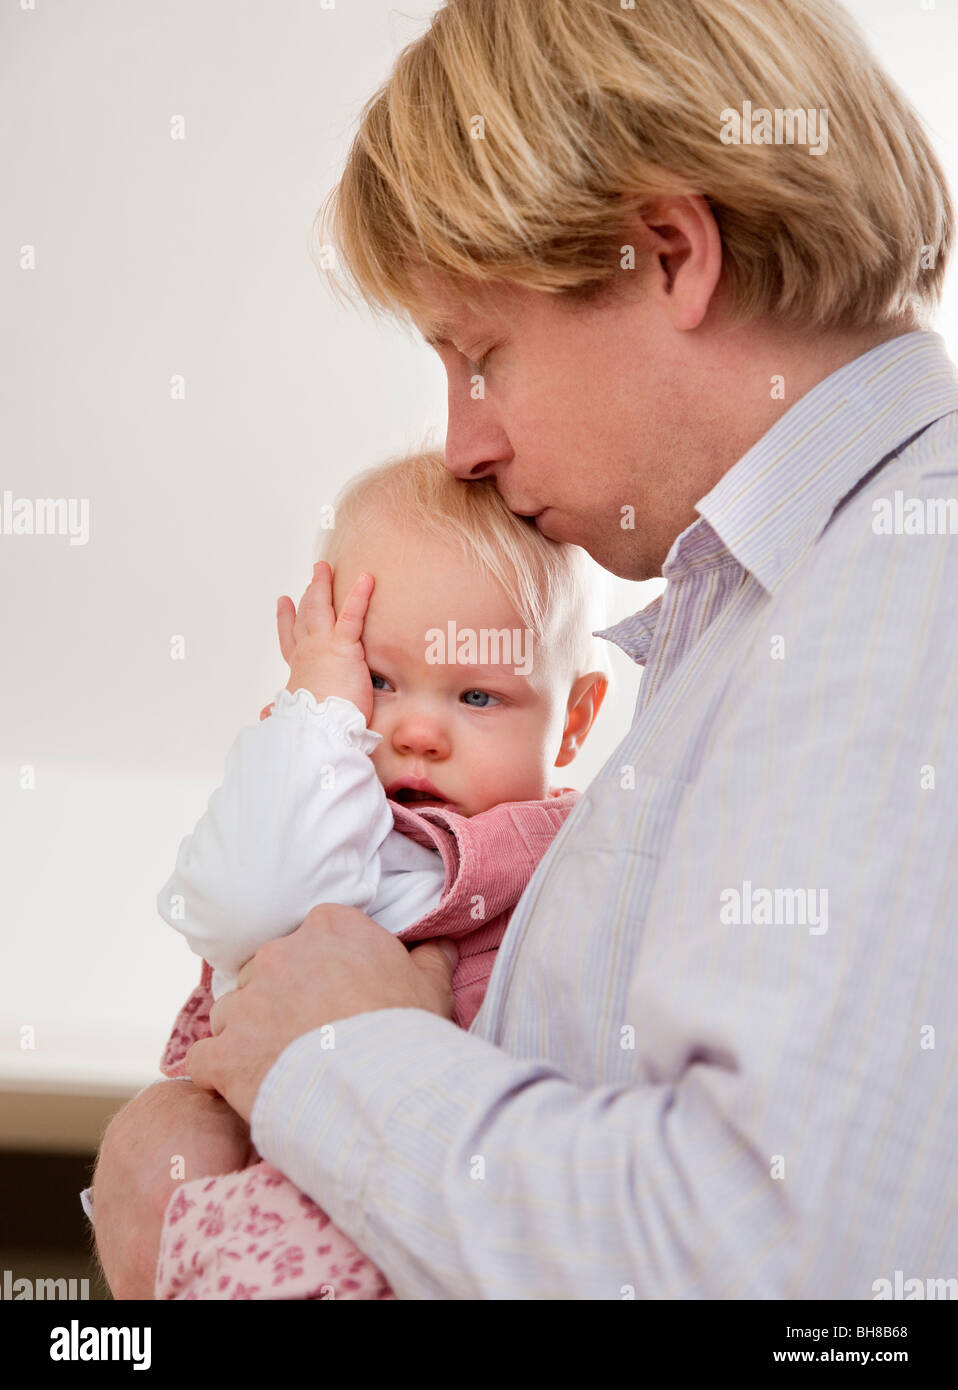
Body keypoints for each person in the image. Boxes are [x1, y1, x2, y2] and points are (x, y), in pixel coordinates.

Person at [92, 0, 958, 1299]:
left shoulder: (906, 588)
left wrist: (333, 1056)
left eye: (480, 355)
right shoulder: (776, 613)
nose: (461, 445)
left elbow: (778, 1263)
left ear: (670, 253)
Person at [81, 447, 609, 1298]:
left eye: (476, 697)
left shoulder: (583, 856)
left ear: (575, 720)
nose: (417, 732)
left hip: (447, 1224)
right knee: (149, 1146)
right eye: (379, 682)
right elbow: (244, 897)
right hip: (267, 1196)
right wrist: (315, 728)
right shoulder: (329, 819)